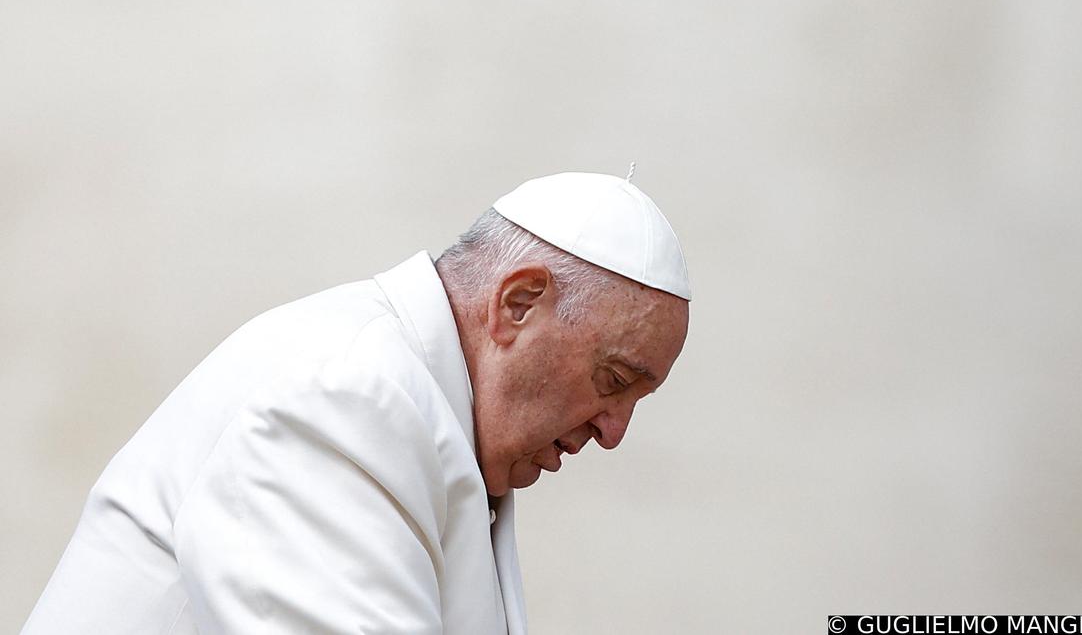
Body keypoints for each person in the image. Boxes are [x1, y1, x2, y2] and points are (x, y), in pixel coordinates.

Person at [21, 171, 692, 634]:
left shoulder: (412, 403)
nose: (614, 432)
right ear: (517, 303)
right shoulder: (342, 399)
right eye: (614, 379)